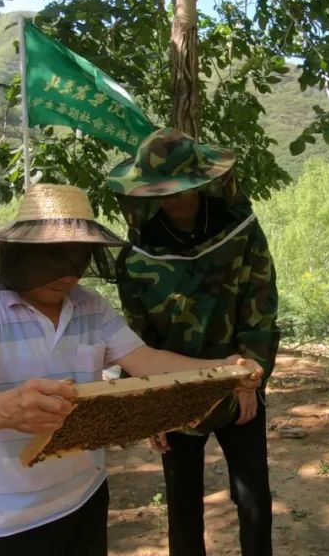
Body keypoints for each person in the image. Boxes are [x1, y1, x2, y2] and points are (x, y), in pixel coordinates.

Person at [0, 183, 262, 555]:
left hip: (83, 495)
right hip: (1, 517)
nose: (70, 273)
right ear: (21, 252)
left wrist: (223, 368)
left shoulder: (90, 306)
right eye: (55, 256)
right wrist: (7, 409)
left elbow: (146, 360)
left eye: (80, 257)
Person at [107, 128, 279, 556]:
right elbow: (139, 338)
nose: (174, 198)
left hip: (238, 383)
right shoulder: (136, 255)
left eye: (184, 188)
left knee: (252, 494)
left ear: (206, 182)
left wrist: (249, 378)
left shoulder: (241, 233)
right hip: (174, 388)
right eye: (161, 191)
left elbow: (259, 309)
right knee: (182, 501)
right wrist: (153, 405)